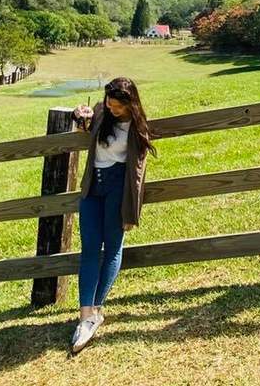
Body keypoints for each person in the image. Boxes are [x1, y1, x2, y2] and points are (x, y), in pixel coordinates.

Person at [67, 76, 158, 354]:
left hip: (119, 187)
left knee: (113, 247)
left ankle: (96, 309)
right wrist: (78, 114)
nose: (113, 109)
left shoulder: (137, 127)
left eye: (118, 106)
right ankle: (86, 316)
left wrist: (132, 210)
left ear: (131, 104)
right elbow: (84, 123)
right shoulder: (101, 112)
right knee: (90, 249)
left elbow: (138, 172)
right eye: (110, 103)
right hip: (93, 185)